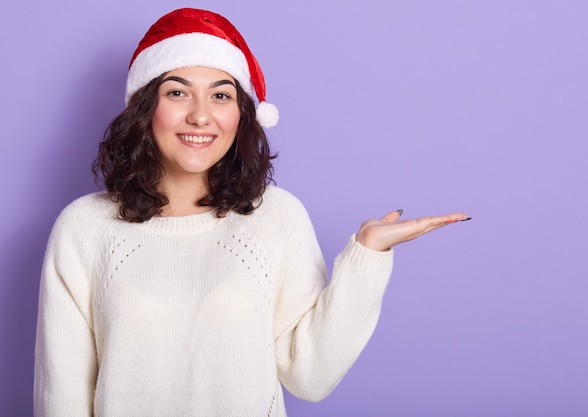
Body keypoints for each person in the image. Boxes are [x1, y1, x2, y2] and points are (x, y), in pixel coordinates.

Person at [33, 7, 470, 417]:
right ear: (147, 110)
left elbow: (310, 376)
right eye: (177, 92)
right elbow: (62, 395)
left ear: (241, 115)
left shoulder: (277, 218)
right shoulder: (84, 229)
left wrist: (367, 255)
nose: (200, 115)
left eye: (220, 95)